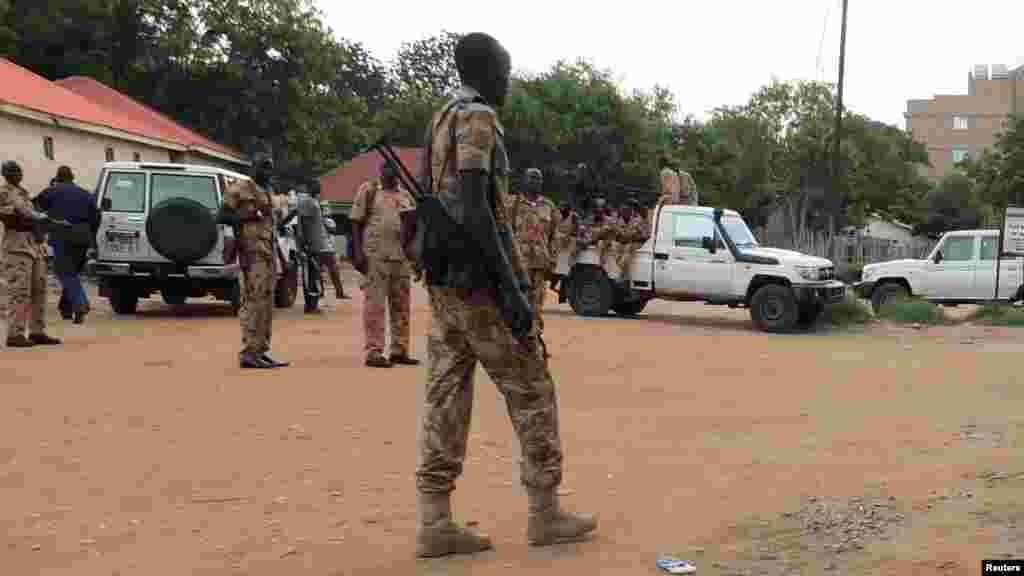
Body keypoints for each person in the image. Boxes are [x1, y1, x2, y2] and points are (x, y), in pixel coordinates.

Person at [413, 32, 595, 559]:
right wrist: (511, 291)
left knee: (446, 393)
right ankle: (545, 513)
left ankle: (435, 520)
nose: (508, 82)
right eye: (506, 72)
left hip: (446, 277)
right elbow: (475, 205)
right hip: (479, 281)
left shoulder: (440, 116)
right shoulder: (478, 117)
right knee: (533, 388)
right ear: (487, 69)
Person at [216, 153, 288, 369]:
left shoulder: (268, 191)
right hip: (251, 252)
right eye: (263, 167)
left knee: (266, 303)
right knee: (253, 301)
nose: (267, 172)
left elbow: (270, 223)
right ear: (253, 168)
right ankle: (249, 351)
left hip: (267, 252)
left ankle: (261, 349)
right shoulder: (239, 189)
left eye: (270, 168)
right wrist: (248, 216)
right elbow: (221, 216)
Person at [350, 163, 419, 368]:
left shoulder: (407, 196)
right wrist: (358, 252)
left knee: (402, 306)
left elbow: (415, 225)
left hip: (400, 257)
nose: (393, 174)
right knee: (375, 305)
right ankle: (374, 351)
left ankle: (399, 349)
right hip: (375, 256)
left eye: (396, 170)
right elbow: (355, 221)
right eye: (388, 170)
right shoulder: (369, 191)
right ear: (381, 172)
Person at [0, 160, 61, 347]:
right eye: (13, 171)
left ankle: (37, 331)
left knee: (39, 290)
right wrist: (16, 213)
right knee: (19, 291)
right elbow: (8, 213)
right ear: (5, 174)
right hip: (16, 246)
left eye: (19, 170)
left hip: (34, 245)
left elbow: (33, 217)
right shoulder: (4, 192)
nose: (17, 174)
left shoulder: (23, 193)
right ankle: (15, 334)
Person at [33, 166, 99, 324]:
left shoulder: (51, 191)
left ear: (58, 178)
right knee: (72, 274)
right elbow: (96, 218)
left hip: (62, 235)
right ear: (72, 177)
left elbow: (34, 209)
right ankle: (67, 309)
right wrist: (92, 239)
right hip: (83, 238)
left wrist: (41, 230)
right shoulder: (86, 194)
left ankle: (81, 303)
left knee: (65, 273)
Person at [507, 168, 558, 358]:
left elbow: (555, 236)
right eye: (531, 177)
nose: (535, 181)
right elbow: (507, 232)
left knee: (536, 305)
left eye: (538, 178)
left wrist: (552, 260)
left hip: (540, 264)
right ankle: (516, 342)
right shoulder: (513, 204)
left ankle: (534, 342)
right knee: (518, 304)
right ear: (524, 180)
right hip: (518, 265)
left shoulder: (549, 206)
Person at [296, 180, 348, 301]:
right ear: (309, 188)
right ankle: (322, 294)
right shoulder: (307, 201)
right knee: (319, 269)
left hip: (322, 241)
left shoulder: (315, 202)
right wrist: (303, 241)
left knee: (327, 267)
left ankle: (334, 292)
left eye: (319, 185)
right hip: (315, 243)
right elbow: (302, 222)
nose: (318, 187)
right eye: (315, 186)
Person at [614, 199, 650, 288]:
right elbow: (619, 232)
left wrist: (632, 234)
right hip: (627, 241)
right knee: (616, 247)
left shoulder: (639, 219)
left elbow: (643, 235)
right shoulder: (620, 219)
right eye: (623, 211)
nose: (625, 212)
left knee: (628, 249)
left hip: (638, 242)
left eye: (627, 210)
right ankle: (622, 272)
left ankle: (621, 273)